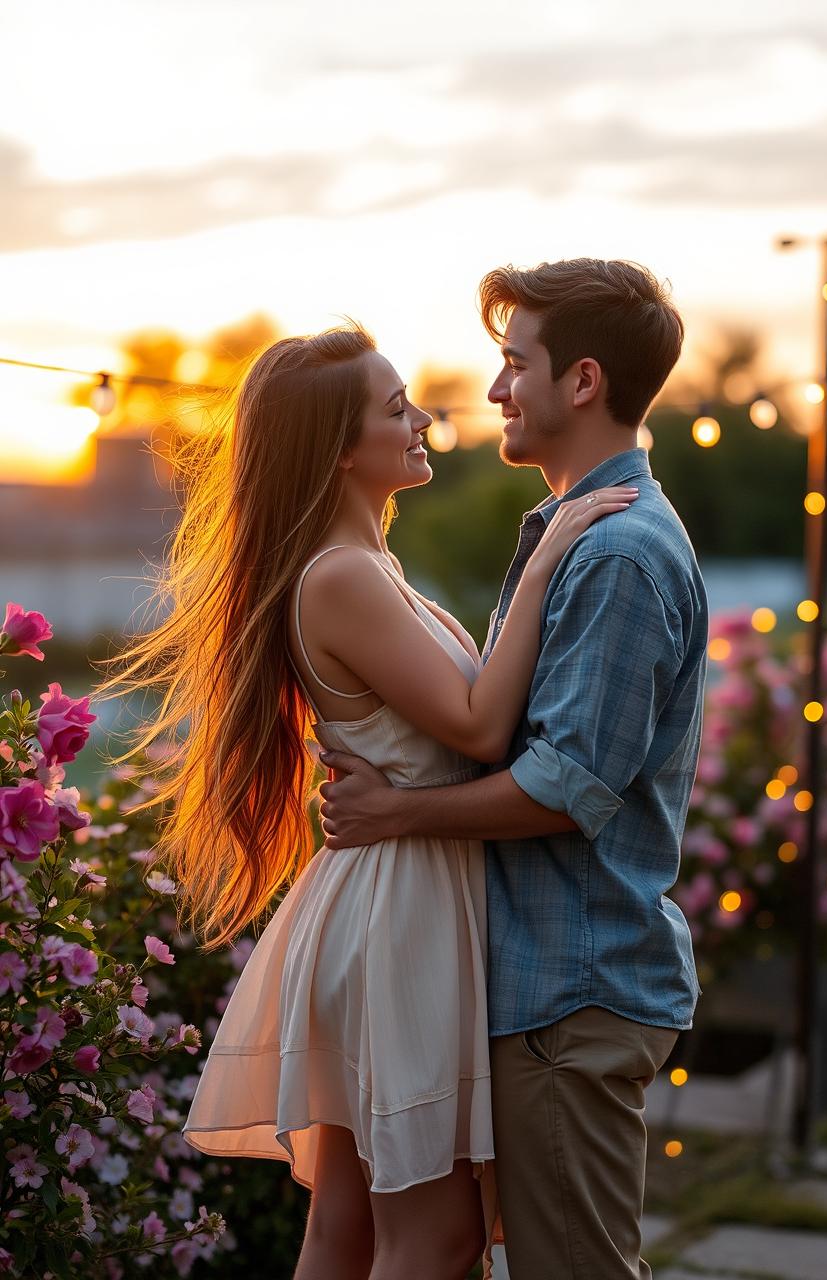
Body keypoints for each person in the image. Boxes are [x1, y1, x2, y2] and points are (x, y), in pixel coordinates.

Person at [95, 323, 636, 1280]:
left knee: (344, 1231)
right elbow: (475, 726)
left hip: (388, 898)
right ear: (342, 449)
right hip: (402, 919)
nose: (423, 416)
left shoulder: (362, 568)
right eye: (396, 410)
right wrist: (549, 555)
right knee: (437, 1236)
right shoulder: (343, 575)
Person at [317, 259, 709, 1280]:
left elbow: (564, 790)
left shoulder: (614, 553)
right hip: (540, 989)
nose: (493, 390)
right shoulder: (576, 536)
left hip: (568, 992)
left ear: (580, 382)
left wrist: (395, 812)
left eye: (512, 362)